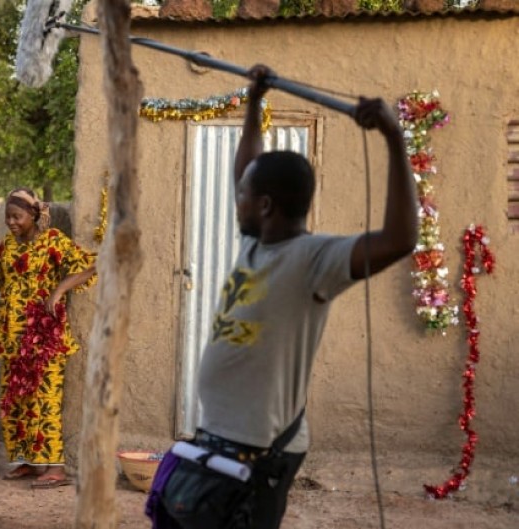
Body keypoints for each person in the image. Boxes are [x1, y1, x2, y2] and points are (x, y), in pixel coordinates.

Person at [159, 66, 418, 528]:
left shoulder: (315, 260)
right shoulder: (254, 245)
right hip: (216, 438)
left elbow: (399, 239)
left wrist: (395, 141)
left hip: (262, 453)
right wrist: (255, 102)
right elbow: (247, 168)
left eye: (242, 195)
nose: (235, 197)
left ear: (265, 205)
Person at [0, 188, 97, 489]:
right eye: (7, 217)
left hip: (44, 336)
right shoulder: (8, 244)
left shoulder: (53, 241)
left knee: (44, 400)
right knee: (16, 400)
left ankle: (55, 467)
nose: (11, 222)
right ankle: (29, 462)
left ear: (33, 215)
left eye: (17, 217)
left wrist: (59, 291)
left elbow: (88, 266)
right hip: (13, 338)